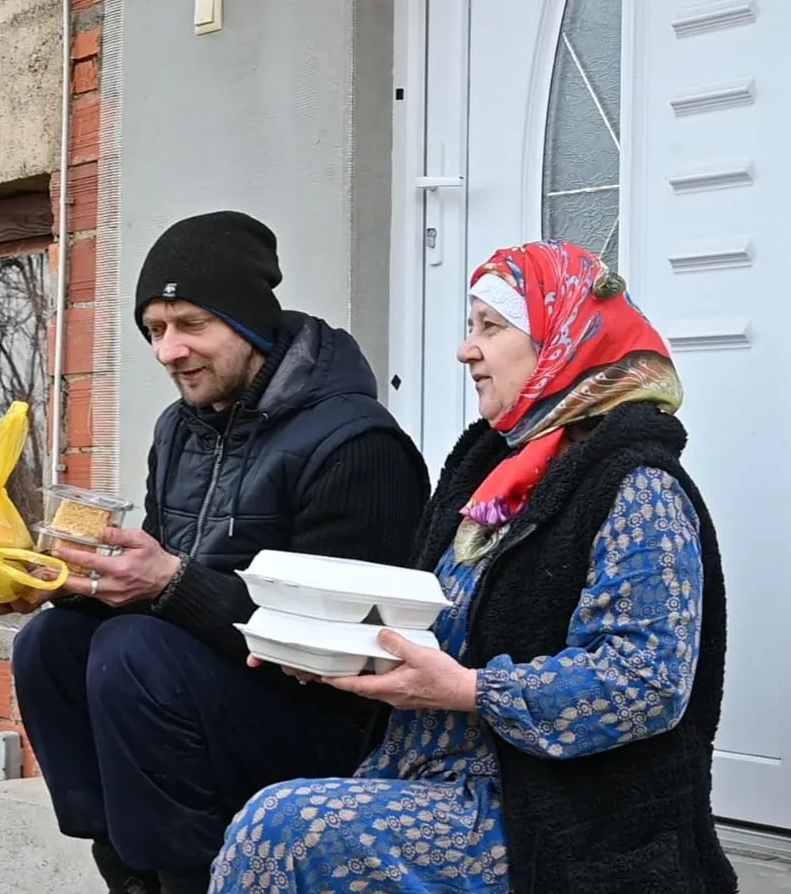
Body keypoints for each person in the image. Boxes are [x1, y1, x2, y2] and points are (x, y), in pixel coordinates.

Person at [210, 240, 737, 893]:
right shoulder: (490, 475)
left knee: (281, 829)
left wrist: (469, 691)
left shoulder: (639, 489)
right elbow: (438, 627)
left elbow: (645, 684)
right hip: (425, 777)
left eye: (491, 327)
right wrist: (327, 648)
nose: (467, 349)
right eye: (469, 327)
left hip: (555, 817)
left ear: (562, 340)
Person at [5, 211, 432, 894]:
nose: (168, 351)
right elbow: (153, 591)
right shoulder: (180, 430)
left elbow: (354, 650)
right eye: (155, 330)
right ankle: (127, 868)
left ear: (251, 325)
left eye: (191, 325)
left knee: (133, 652)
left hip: (331, 726)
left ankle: (191, 878)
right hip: (209, 692)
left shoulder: (357, 445)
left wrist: (170, 584)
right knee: (52, 642)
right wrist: (72, 581)